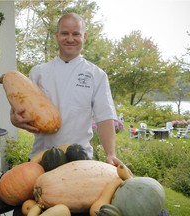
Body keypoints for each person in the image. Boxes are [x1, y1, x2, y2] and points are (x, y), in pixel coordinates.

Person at [10, 12, 121, 166]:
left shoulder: (97, 75)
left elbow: (105, 117)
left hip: (79, 159)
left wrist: (110, 154)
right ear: (56, 36)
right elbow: (20, 108)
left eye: (76, 34)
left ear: (85, 36)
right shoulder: (38, 72)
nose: (70, 39)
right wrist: (14, 119)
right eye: (64, 33)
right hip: (41, 158)